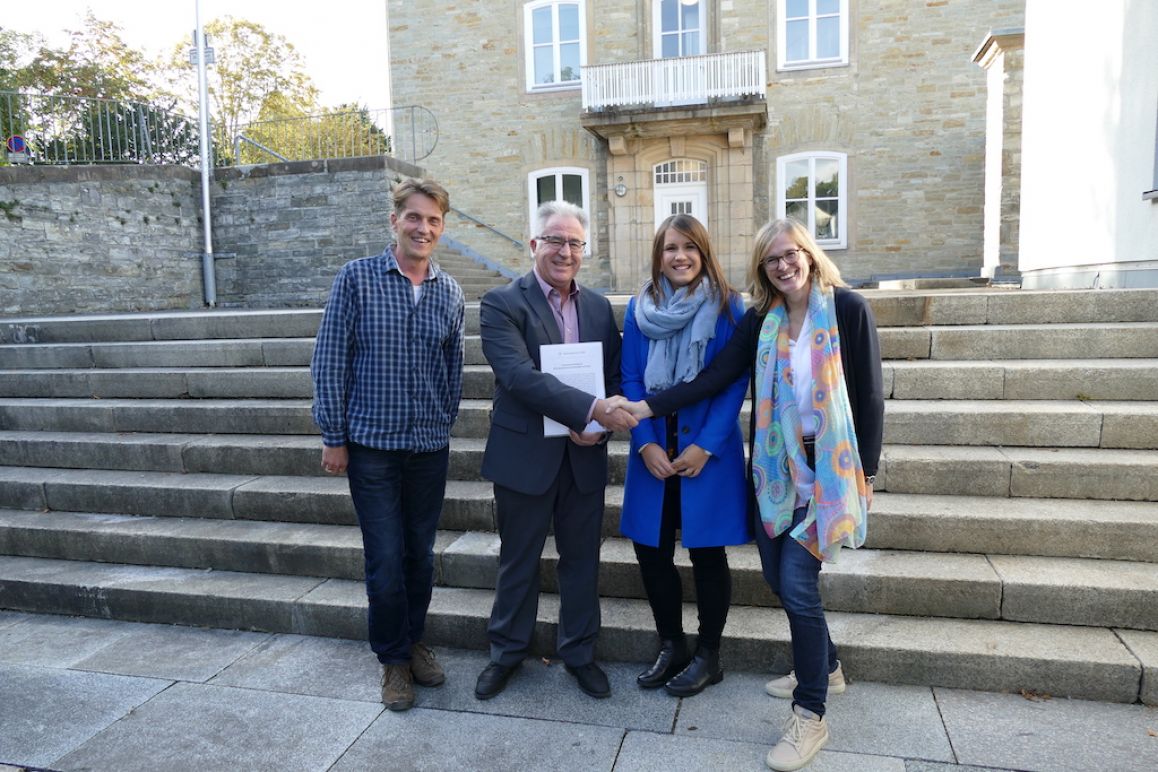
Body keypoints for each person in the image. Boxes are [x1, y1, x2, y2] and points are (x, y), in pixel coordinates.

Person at [608, 218, 883, 771]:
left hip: (828, 467)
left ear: (809, 253)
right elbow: (714, 377)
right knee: (781, 579)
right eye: (771, 260)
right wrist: (644, 414)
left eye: (791, 254)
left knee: (799, 588)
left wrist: (867, 476)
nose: (783, 265)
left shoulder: (847, 309)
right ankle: (825, 666)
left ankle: (811, 713)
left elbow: (870, 397)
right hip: (778, 467)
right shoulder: (765, 318)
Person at [310, 177, 465, 712]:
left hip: (427, 448)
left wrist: (443, 421)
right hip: (371, 446)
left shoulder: (449, 292)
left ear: (441, 229)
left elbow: (453, 368)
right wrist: (334, 435)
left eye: (434, 221)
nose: (424, 228)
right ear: (395, 220)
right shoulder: (356, 279)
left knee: (419, 556)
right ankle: (393, 662)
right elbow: (330, 360)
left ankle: (414, 640)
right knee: (385, 559)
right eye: (415, 217)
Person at [474, 200, 639, 701]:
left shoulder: (597, 307)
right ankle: (506, 654)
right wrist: (589, 409)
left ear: (582, 251)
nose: (564, 251)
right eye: (554, 240)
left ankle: (580, 654)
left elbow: (612, 376)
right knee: (517, 559)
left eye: (574, 243)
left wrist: (600, 425)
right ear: (533, 245)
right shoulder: (502, 303)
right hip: (525, 456)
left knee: (582, 561)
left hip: (583, 456)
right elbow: (519, 377)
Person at [620, 214, 750, 697]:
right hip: (652, 443)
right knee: (651, 551)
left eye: (690, 247)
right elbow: (631, 377)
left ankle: (709, 654)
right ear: (658, 255)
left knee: (707, 553)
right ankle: (671, 644)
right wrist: (646, 442)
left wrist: (706, 446)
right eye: (671, 247)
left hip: (704, 451)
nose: (680, 256)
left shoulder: (730, 307)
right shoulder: (639, 307)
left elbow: (733, 381)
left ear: (704, 252)